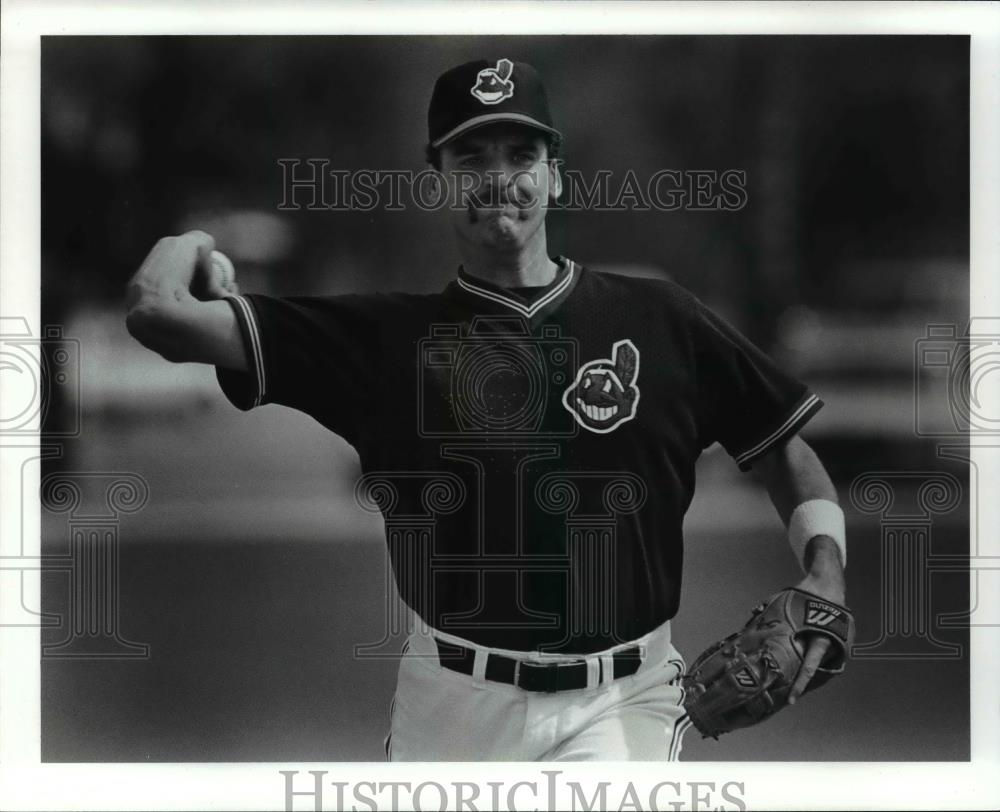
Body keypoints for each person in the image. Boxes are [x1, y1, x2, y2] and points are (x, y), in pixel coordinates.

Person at [125, 58, 847, 761]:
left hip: (625, 704)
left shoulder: (661, 320)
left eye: (521, 152)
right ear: (438, 177)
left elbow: (783, 444)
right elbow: (158, 312)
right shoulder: (381, 341)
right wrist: (189, 243)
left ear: (554, 171)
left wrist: (824, 569)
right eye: (472, 157)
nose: (500, 176)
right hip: (453, 702)